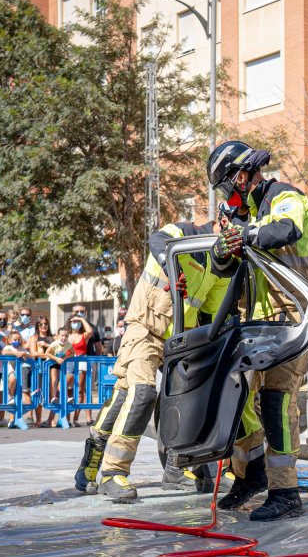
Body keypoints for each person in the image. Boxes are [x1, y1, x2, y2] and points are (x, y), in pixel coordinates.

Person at [72, 215, 233, 502]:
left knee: (180, 402)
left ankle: (175, 468)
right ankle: (110, 470)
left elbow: (209, 313)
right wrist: (173, 270)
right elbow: (157, 240)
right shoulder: (185, 233)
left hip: (178, 342)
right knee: (141, 394)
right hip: (144, 329)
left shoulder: (217, 267)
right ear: (221, 221)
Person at [212, 141, 308, 521]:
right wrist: (223, 250)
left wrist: (246, 234)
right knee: (238, 401)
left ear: (241, 175)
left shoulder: (284, 197)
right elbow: (225, 265)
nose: (227, 195)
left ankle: (286, 492)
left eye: (227, 184)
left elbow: (283, 231)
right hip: (256, 321)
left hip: (289, 317)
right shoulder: (247, 213)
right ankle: (248, 477)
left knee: (276, 402)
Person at [65, 309, 95, 426]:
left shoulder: (84, 335)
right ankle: (66, 418)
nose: (75, 323)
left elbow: (90, 331)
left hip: (82, 362)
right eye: (73, 321)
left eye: (77, 321)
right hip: (68, 362)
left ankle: (76, 418)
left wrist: (81, 319)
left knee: (80, 391)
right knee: (68, 390)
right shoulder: (66, 335)